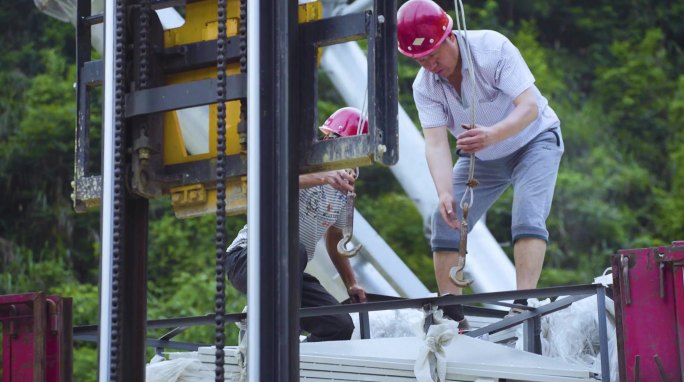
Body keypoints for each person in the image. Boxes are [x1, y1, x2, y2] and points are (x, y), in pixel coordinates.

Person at [397, 0, 564, 324]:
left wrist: (494, 134)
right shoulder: (424, 86)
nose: (430, 65)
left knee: (527, 214)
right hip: (483, 156)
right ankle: (450, 313)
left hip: (534, 140)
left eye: (433, 55)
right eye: (421, 59)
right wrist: (445, 192)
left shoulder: (492, 47)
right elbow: (435, 144)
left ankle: (523, 303)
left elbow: (529, 106)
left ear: (449, 36)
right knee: (443, 219)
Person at [225, 107, 369, 342]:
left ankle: (295, 366)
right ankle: (266, 317)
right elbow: (273, 180)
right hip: (247, 259)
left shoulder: (343, 192)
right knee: (295, 248)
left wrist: (351, 283)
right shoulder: (304, 163)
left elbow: (335, 240)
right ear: (328, 140)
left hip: (288, 272)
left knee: (339, 325)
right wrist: (324, 176)